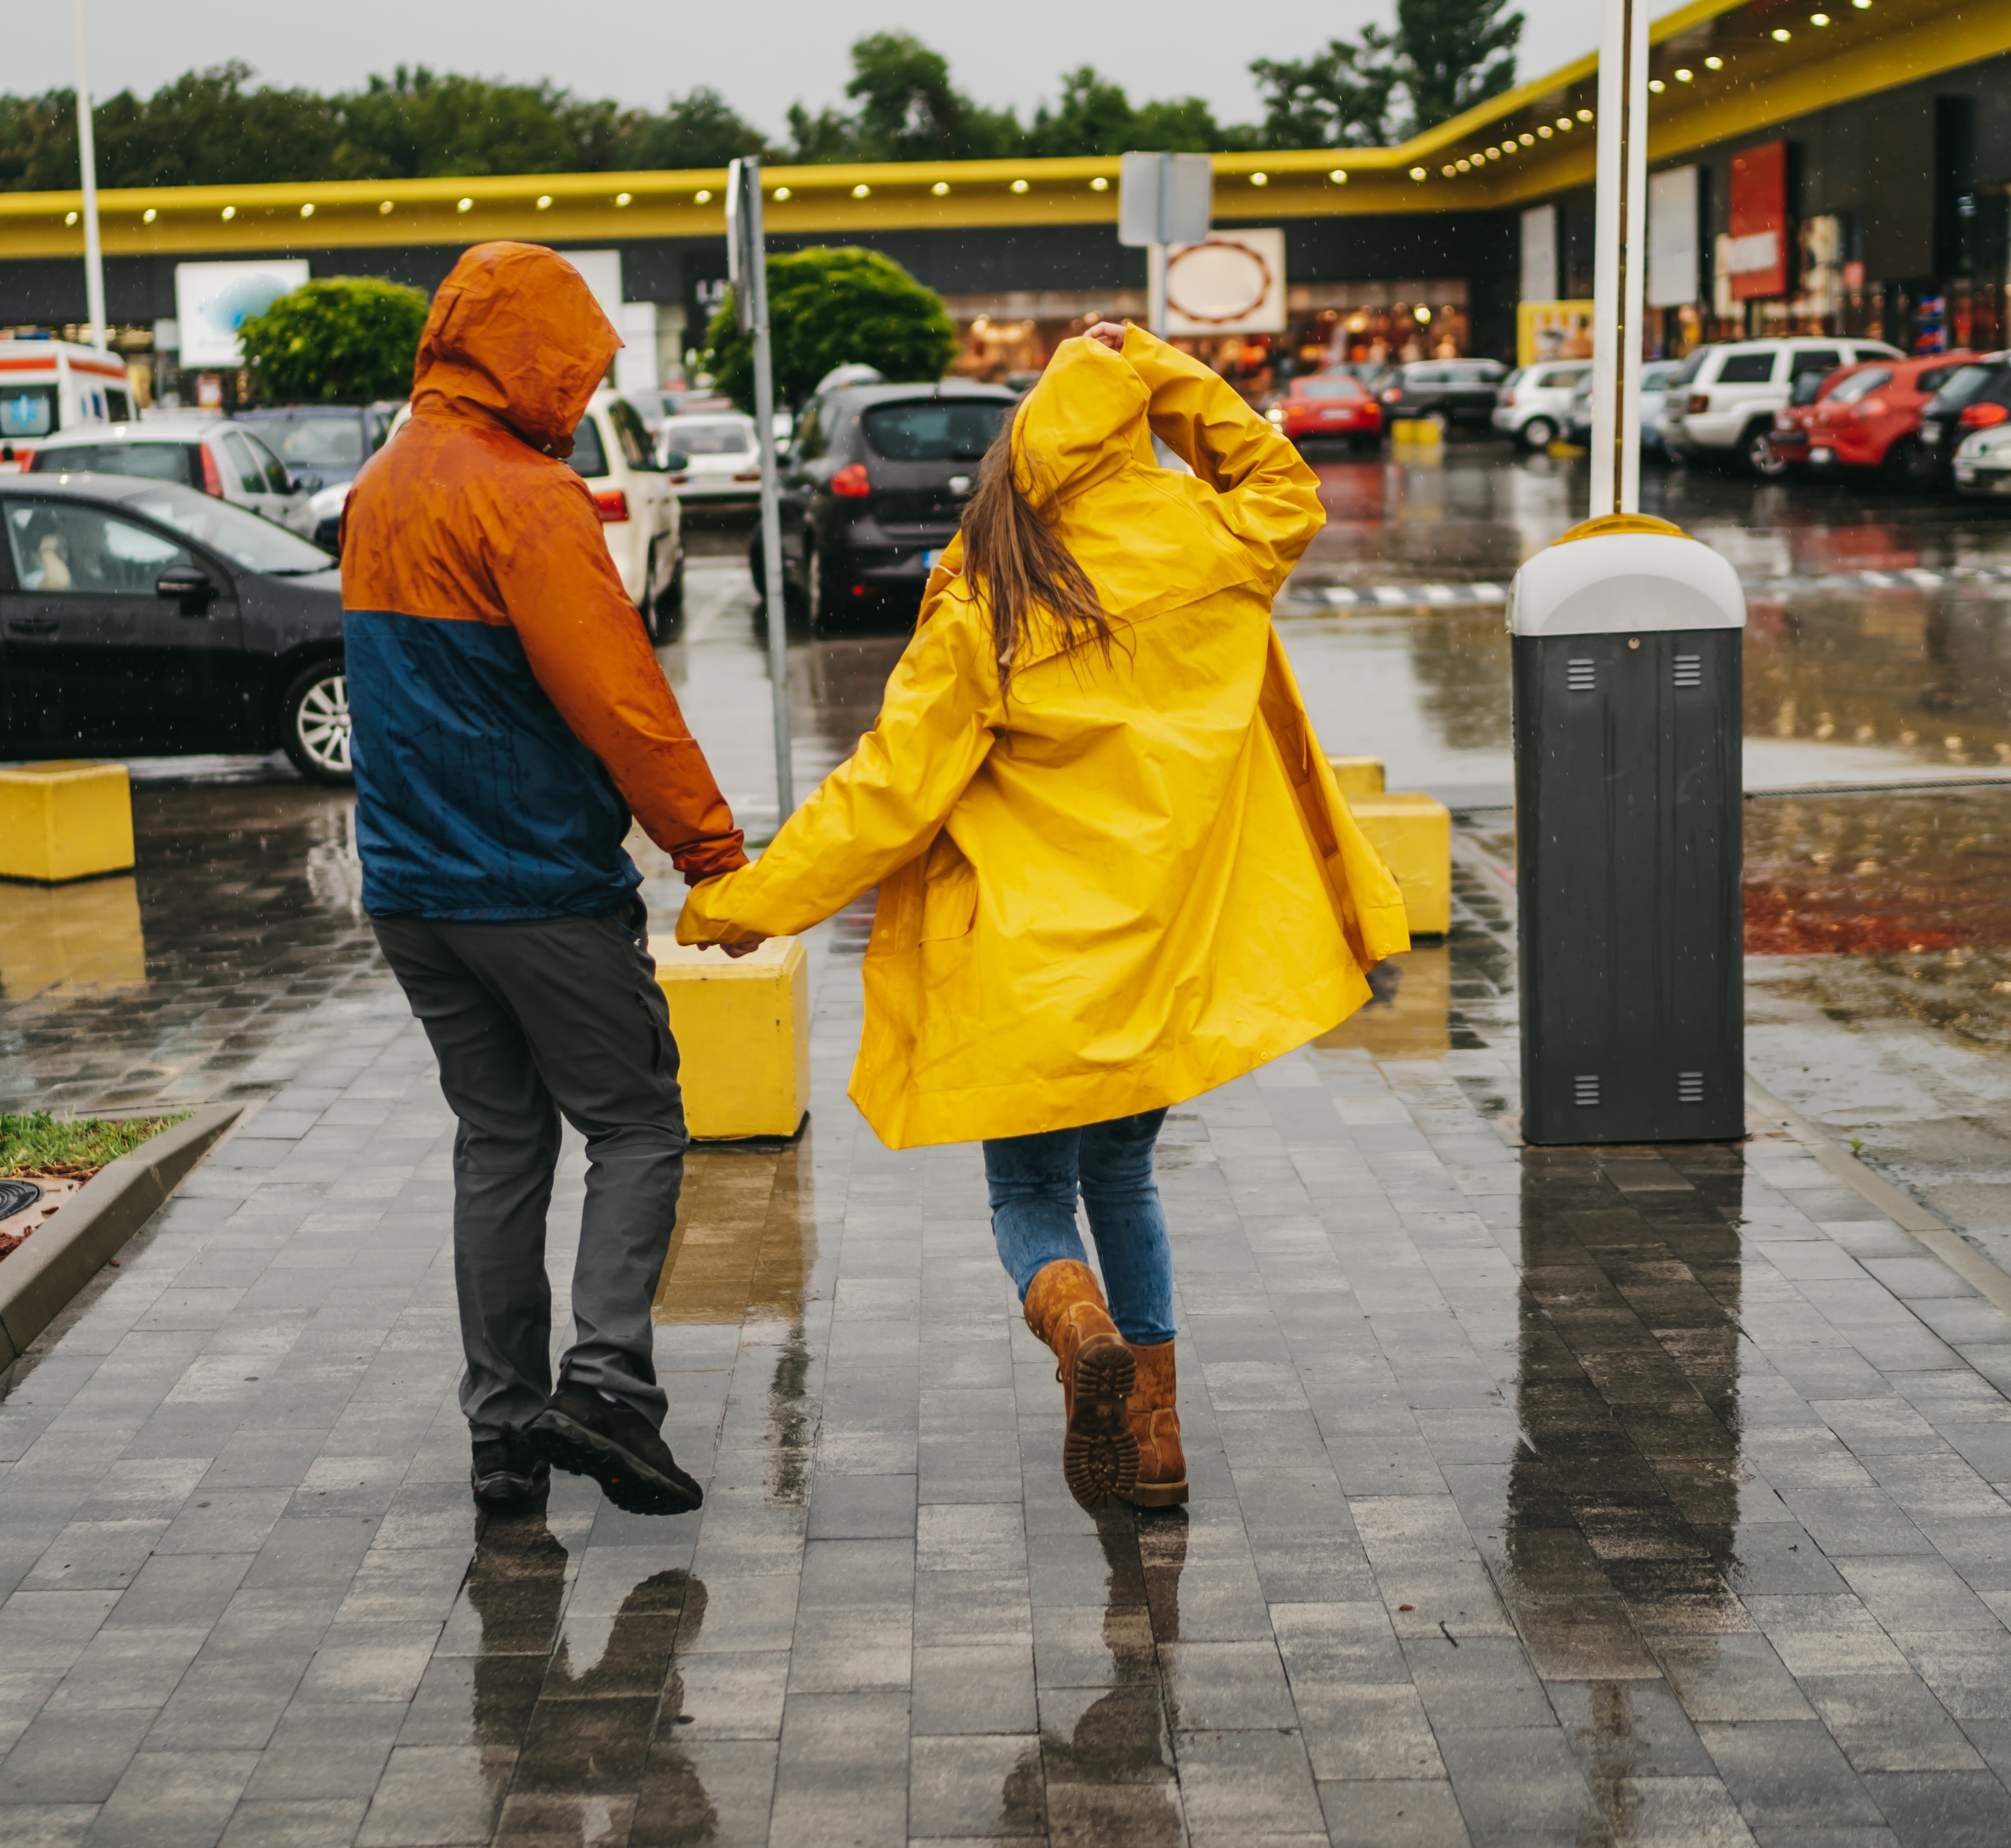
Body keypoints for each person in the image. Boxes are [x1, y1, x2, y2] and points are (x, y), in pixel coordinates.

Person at [676, 321, 1407, 1510]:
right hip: (1161, 955)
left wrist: (750, 903)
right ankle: (1157, 1437)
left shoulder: (993, 597)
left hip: (1026, 967)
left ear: (1017, 457)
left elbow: (885, 793)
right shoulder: (1220, 545)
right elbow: (1281, 477)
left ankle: (1076, 1330)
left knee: (1029, 1196)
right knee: (1124, 1176)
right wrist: (1157, 367)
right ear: (1132, 435)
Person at [338, 241, 746, 1516]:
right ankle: (609, 1386)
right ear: (522, 357)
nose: (576, 401)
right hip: (535, 890)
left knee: (500, 1144)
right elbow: (620, 701)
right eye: (568, 373)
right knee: (635, 1123)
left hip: (412, 892)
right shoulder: (523, 499)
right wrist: (710, 851)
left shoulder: (380, 487)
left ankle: (505, 1437)